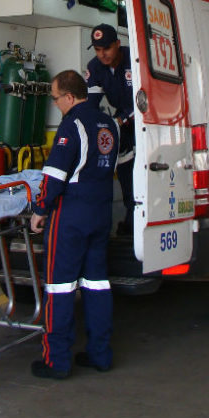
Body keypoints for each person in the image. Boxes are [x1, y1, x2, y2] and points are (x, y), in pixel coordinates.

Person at [30, 69, 117, 379]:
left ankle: (57, 361)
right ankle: (100, 354)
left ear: (69, 96)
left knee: (60, 287)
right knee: (96, 285)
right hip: (101, 213)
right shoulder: (108, 123)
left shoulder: (73, 124)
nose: (55, 105)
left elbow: (54, 176)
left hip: (72, 217)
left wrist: (40, 209)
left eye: (55, 99)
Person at [84, 23, 135, 236]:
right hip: (121, 125)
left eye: (107, 48)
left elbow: (146, 98)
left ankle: (138, 222)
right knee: (124, 171)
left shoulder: (135, 58)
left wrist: (120, 119)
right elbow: (91, 105)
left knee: (140, 172)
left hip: (144, 122)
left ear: (117, 44)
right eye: (97, 49)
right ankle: (130, 219)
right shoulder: (95, 67)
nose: (102, 54)